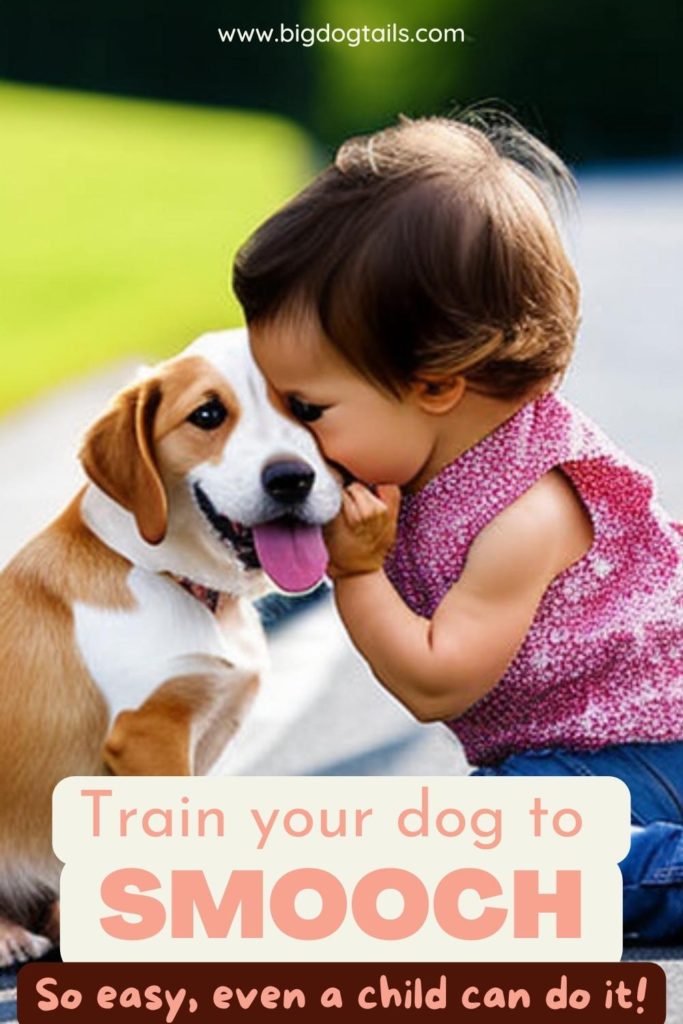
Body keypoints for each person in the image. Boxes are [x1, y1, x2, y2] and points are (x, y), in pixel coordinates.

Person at [233, 112, 683, 943]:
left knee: (486, 862)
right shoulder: (421, 463)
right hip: (571, 760)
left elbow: (438, 682)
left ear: (436, 387)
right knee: (451, 845)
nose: (288, 438)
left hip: (649, 750)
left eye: (306, 408)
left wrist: (359, 574)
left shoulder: (527, 510)